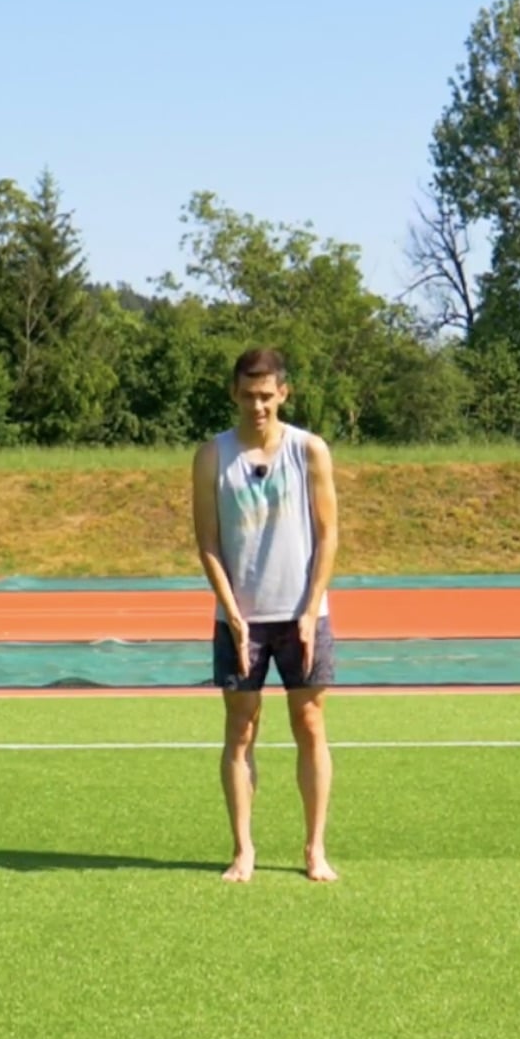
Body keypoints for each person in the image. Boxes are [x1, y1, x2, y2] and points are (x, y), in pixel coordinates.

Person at [191, 346, 340, 883]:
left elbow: (328, 534)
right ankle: (243, 849)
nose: (257, 406)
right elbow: (208, 542)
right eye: (248, 395)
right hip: (240, 619)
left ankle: (314, 849)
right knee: (241, 729)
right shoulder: (213, 456)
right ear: (234, 394)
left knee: (310, 723)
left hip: (302, 615)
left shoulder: (309, 450)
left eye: (266, 396)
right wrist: (232, 613)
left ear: (283, 394)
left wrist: (310, 608)